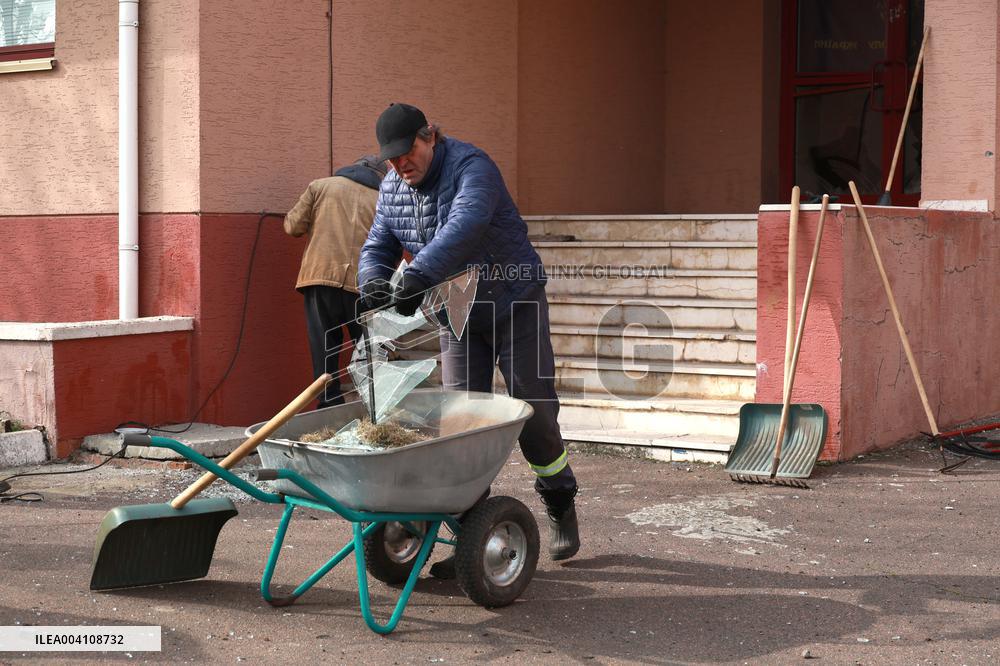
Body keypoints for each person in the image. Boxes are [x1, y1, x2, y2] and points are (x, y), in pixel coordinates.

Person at [357, 103, 580, 572]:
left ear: (430, 136)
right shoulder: (393, 188)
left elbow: (466, 224)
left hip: (512, 299)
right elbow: (378, 243)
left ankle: (559, 500)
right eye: (392, 160)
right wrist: (374, 282)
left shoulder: (473, 167)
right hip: (455, 310)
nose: (401, 165)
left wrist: (417, 275)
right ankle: (470, 536)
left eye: (408, 153)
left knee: (532, 407)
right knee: (460, 420)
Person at [284, 155, 387, 408]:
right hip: (363, 284)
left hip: (321, 277)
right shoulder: (383, 199)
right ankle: (374, 408)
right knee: (368, 351)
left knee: (324, 348)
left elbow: (292, 226)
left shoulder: (320, 186)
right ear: (378, 176)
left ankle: (328, 406)